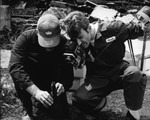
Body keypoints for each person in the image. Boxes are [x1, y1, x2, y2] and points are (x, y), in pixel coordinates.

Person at [62, 11, 150, 120]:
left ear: (88, 28)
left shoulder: (113, 28)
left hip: (119, 70)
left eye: (80, 37)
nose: (79, 42)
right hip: (98, 78)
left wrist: (143, 23)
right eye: (76, 40)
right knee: (79, 99)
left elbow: (138, 29)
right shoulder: (76, 43)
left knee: (136, 74)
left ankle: (133, 116)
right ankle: (99, 102)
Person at [9, 13, 74, 120]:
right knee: (33, 115)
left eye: (52, 42)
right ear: (38, 34)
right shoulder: (25, 39)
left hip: (51, 78)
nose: (49, 47)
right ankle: (26, 106)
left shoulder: (64, 43)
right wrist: (36, 92)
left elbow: (68, 72)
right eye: (46, 42)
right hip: (30, 79)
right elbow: (15, 67)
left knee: (61, 114)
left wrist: (63, 84)